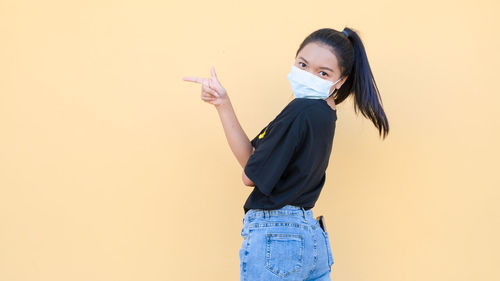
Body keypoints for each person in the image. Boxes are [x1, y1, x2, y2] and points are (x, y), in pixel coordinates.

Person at [183, 27, 389, 281]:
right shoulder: (325, 111)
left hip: (278, 237)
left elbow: (251, 175)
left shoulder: (301, 110)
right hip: (311, 235)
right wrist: (222, 103)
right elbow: (253, 158)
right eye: (303, 64)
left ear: (341, 80)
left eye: (322, 72)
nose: (308, 75)